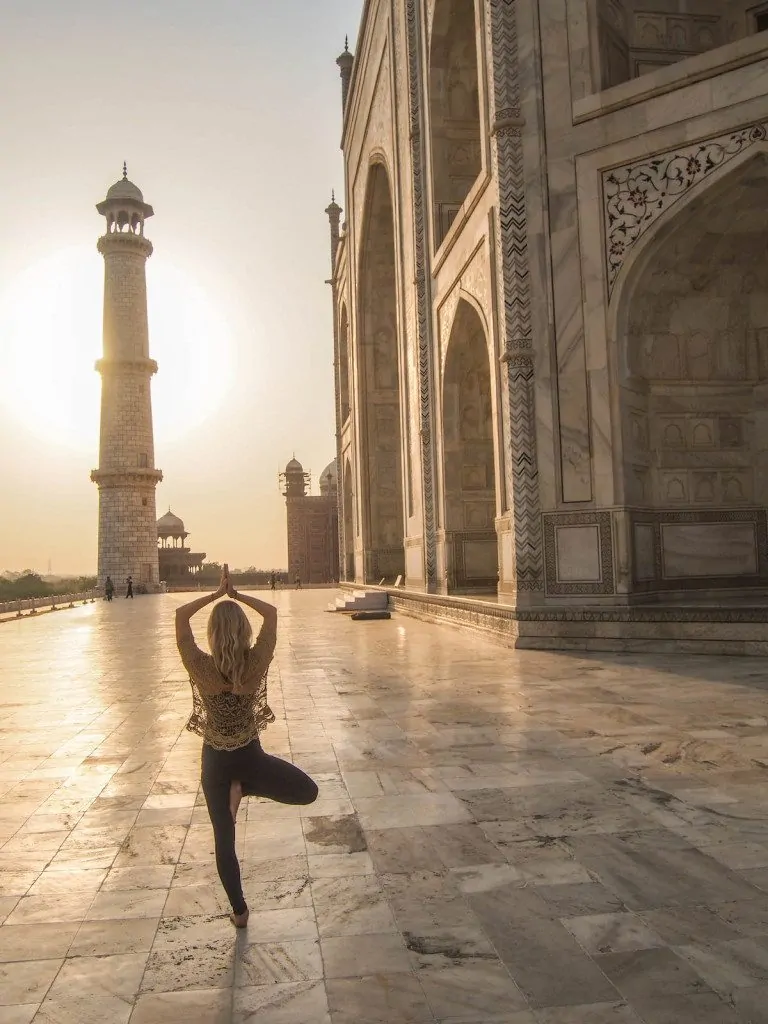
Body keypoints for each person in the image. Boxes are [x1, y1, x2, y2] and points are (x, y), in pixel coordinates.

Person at [175, 567, 318, 929]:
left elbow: (179, 616)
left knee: (224, 838)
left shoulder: (199, 666)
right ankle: (247, 786)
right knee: (308, 792)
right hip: (251, 758)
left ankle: (239, 912)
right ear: (244, 631)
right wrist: (235, 595)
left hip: (214, 765)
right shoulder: (255, 662)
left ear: (210, 634)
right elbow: (271, 613)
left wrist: (214, 595)